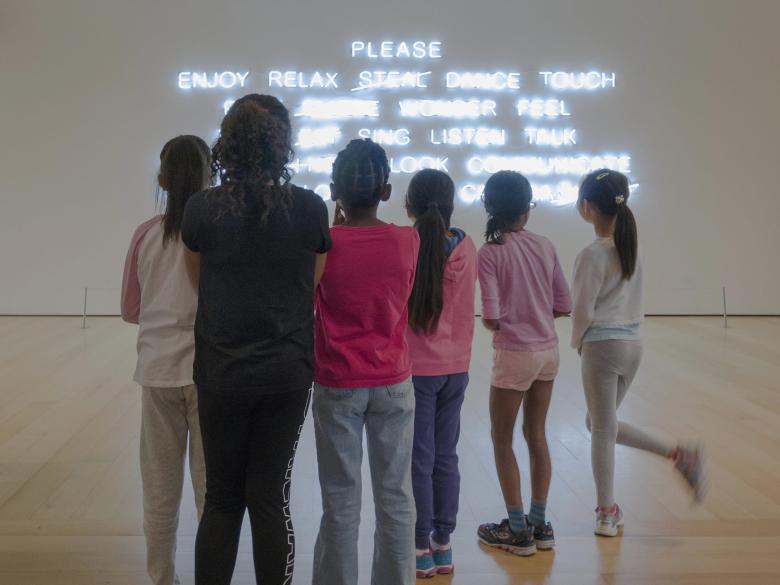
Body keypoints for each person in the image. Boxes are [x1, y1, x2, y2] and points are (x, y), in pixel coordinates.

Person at [181, 97, 331, 585]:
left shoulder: (201, 208)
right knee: (269, 498)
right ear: (282, 145)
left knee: (222, 497)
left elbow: (196, 282)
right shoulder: (310, 208)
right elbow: (312, 284)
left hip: (221, 374)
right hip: (286, 374)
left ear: (228, 142)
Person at [572, 169, 706, 537]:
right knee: (599, 424)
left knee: (600, 428)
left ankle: (606, 512)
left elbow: (582, 309)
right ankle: (679, 453)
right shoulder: (632, 247)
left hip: (602, 345)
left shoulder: (591, 254)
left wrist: (577, 342)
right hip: (633, 346)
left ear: (587, 208)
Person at [312, 138, 419, 585]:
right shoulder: (407, 241)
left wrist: (334, 229)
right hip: (393, 381)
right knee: (395, 496)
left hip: (338, 381)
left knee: (341, 498)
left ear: (334, 189)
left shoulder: (324, 245)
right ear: (387, 191)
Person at [120, 134, 211, 585]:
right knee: (210, 492)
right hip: (208, 375)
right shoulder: (215, 234)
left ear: (161, 177)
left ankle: (162, 579)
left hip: (156, 373)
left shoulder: (145, 235)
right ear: (211, 175)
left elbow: (130, 310)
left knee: (159, 492)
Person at [476, 171, 571, 556]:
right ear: (526, 210)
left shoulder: (490, 253)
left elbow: (491, 318)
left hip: (514, 355)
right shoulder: (545, 246)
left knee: (501, 438)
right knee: (537, 434)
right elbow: (563, 304)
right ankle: (540, 523)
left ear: (489, 207)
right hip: (548, 353)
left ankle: (517, 532)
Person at [404, 170, 477, 578]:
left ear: (409, 205)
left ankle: (419, 547)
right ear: (451, 204)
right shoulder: (469, 248)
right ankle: (443, 544)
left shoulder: (409, 246)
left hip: (416, 371)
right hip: (457, 369)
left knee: (420, 457)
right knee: (446, 455)